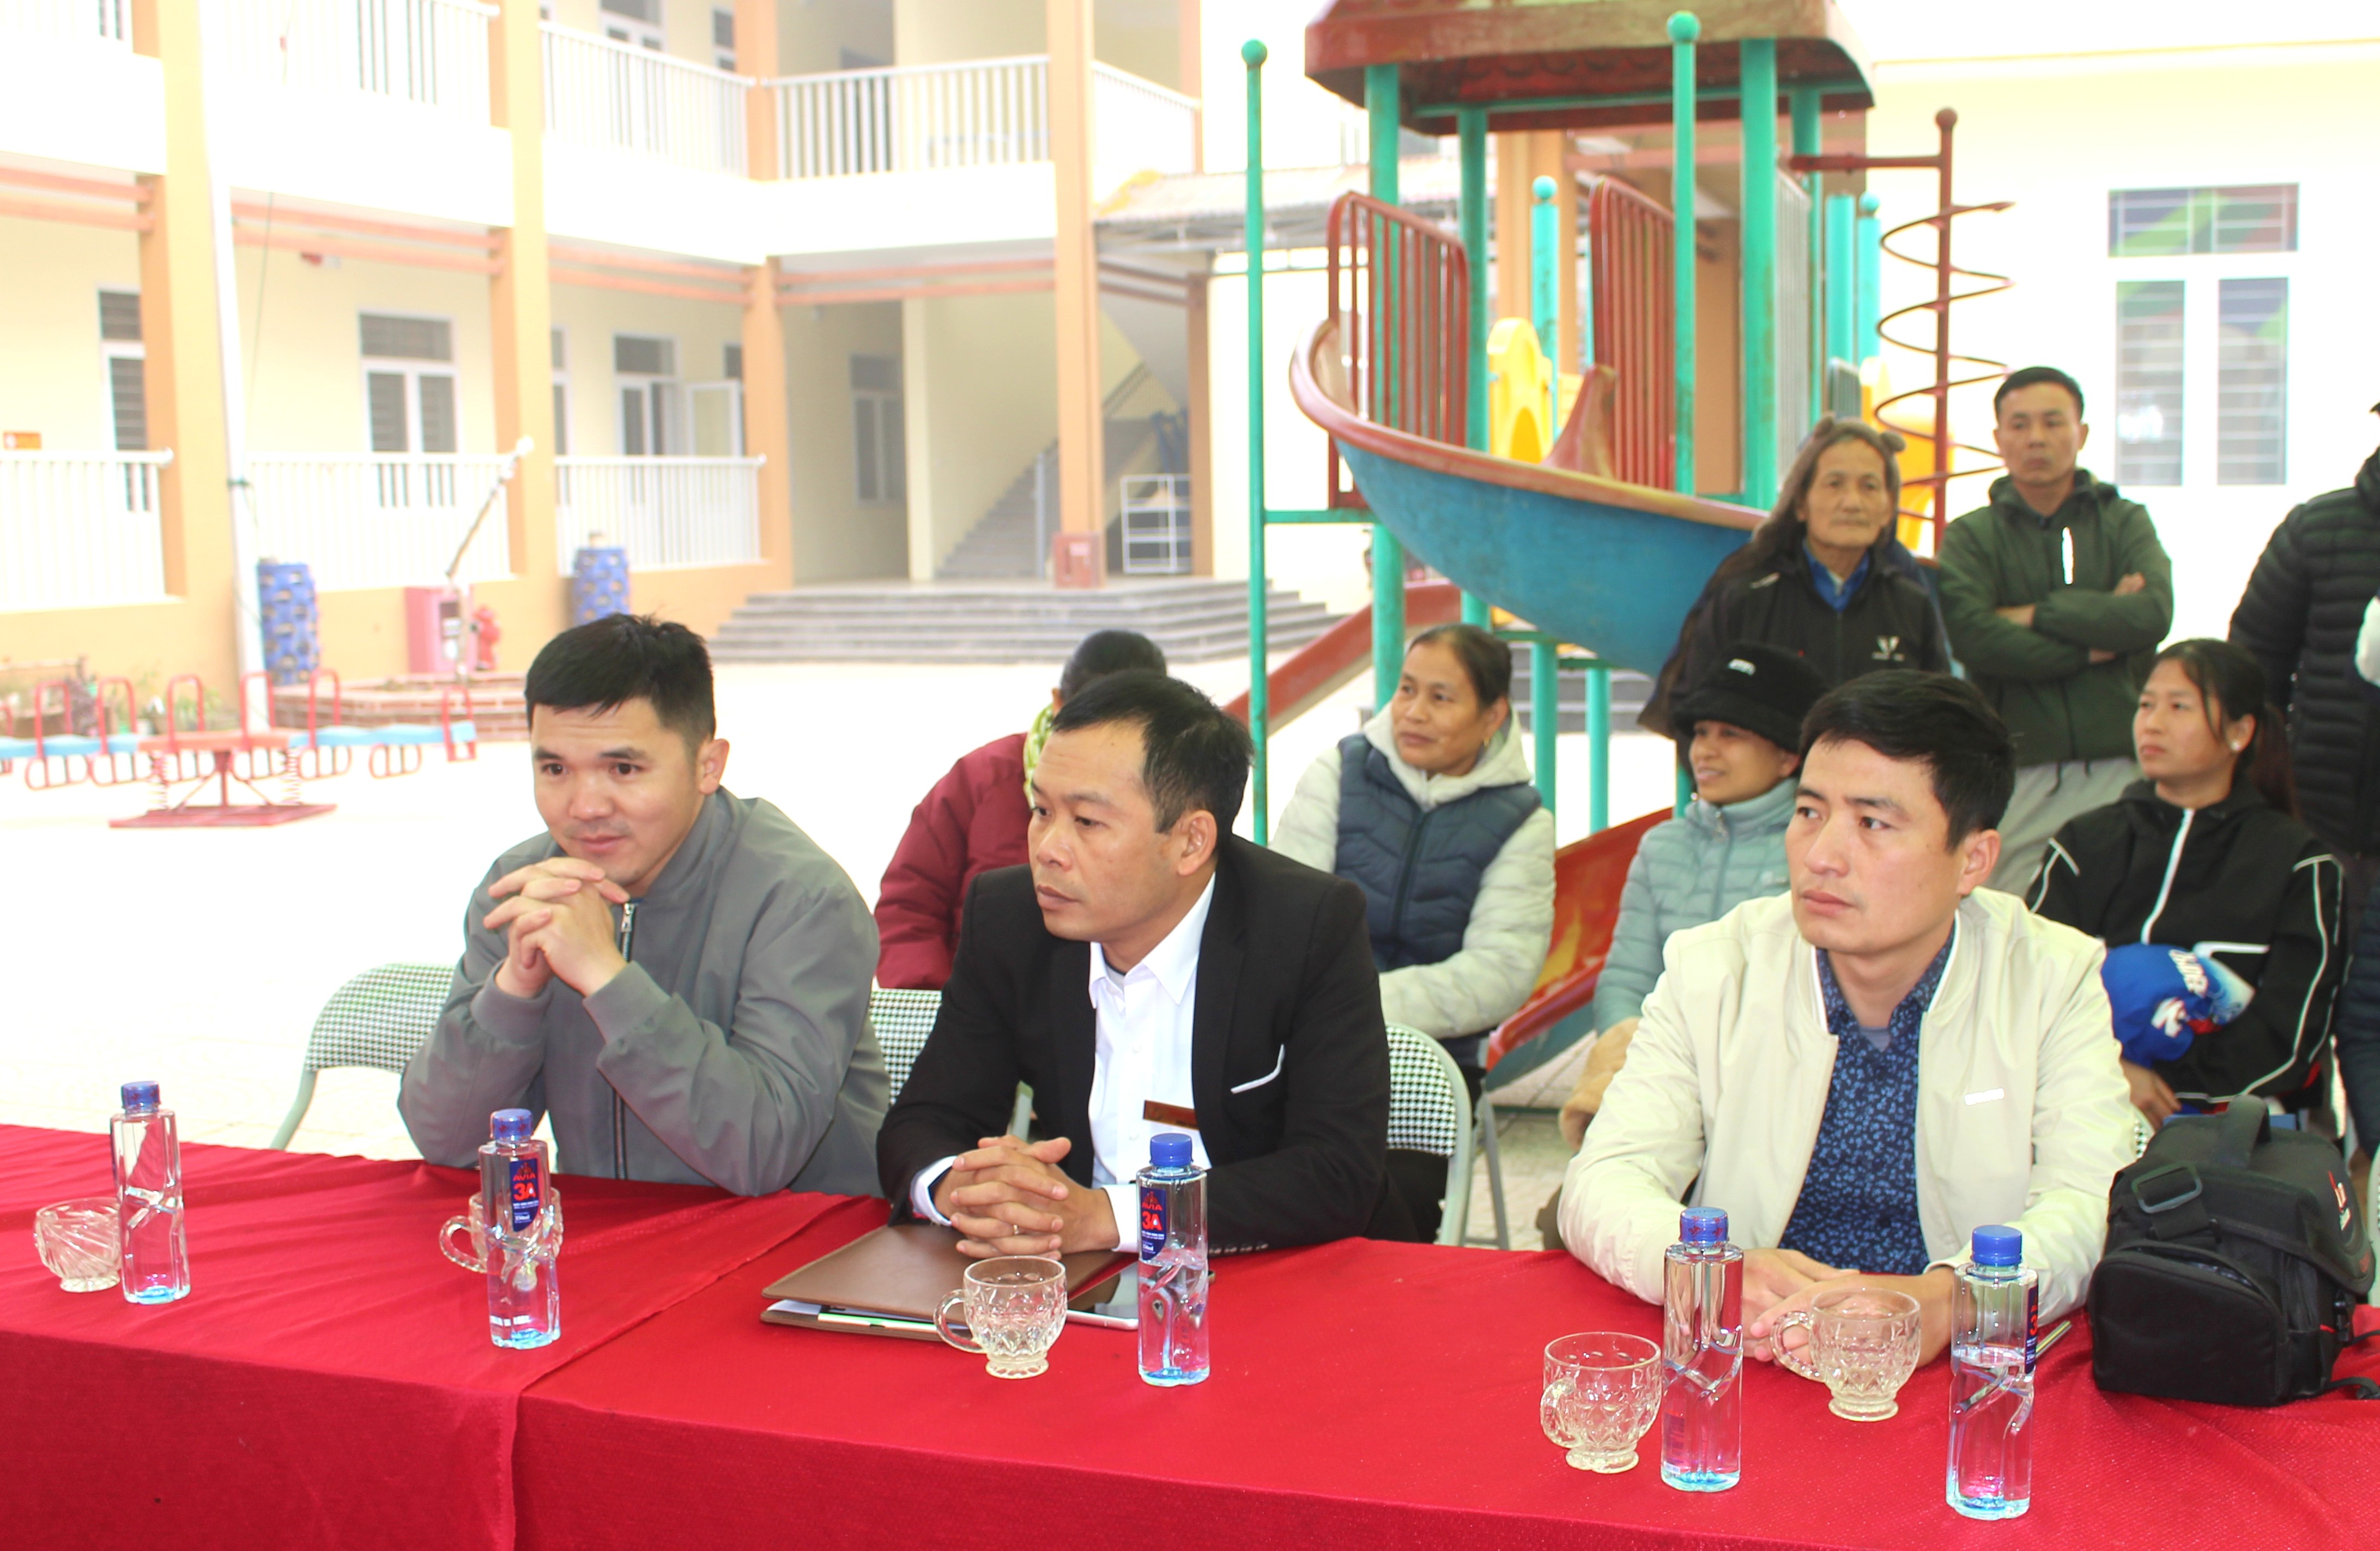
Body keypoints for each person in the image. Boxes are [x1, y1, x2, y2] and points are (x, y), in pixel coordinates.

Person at [1559, 671, 2136, 1364]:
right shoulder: (1715, 967)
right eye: (1809, 811)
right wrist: (1708, 1271)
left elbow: (2090, 1200)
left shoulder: (2049, 977)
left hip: (1960, 1371)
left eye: (1872, 822)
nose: (1820, 856)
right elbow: (1604, 1179)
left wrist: (1957, 1299)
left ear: (1972, 860)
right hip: (1757, 1354)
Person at [875, 671, 1397, 1256]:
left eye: (1086, 821)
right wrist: (962, 1189)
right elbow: (923, 1121)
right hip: (1076, 1273)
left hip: (1259, 1264)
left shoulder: (1307, 926)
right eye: (1040, 810)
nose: (1047, 848)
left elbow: (1337, 1173)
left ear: (1190, 841)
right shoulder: (1009, 919)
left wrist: (1110, 1215)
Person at [399, 614, 886, 1197]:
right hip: (611, 1228)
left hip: (803, 1236)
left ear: (707, 765)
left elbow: (760, 1153)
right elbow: (447, 1142)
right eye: (554, 768)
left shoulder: (801, 899)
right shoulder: (526, 886)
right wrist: (514, 990)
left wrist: (606, 977)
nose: (585, 806)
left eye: (623, 769)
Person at [2030, 640, 2343, 1125]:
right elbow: (2030, 986)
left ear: (2239, 732)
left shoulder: (2299, 863)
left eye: (2178, 707)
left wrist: (2171, 1091)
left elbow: (2292, 1032)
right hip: (2083, 1101)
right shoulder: (2083, 842)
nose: (2152, 723)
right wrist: (2113, 1074)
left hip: (2240, 1124)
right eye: (2145, 705)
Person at [1554, 645, 1831, 1149]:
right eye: (1701, 732)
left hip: (1778, 1090)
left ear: (1788, 755)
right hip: (1661, 1073)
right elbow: (1626, 979)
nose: (1704, 750)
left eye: (1731, 734)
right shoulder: (1663, 846)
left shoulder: (1819, 850)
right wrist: (1642, 1057)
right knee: (1593, 1194)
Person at [1270, 623, 1555, 1086]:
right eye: (1407, 690)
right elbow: (1284, 921)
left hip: (1433, 1062)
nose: (1414, 713)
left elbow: (1499, 973)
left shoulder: (1522, 822)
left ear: (1492, 717)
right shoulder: (1337, 774)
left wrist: (1352, 1003)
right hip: (1308, 1043)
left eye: (1440, 698)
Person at [1937, 365, 2174, 893]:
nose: (2036, 438)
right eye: (2019, 425)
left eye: (2052, 422)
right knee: (2007, 913)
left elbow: (2152, 614)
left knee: (2124, 904)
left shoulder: (2124, 520)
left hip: (2119, 761)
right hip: (2018, 767)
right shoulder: (1971, 535)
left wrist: (2032, 614)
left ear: (2081, 433)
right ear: (1998, 438)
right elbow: (1975, 637)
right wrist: (2093, 644)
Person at [874, 629, 1167, 990]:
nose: (1050, 850)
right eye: (1043, 811)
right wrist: (944, 1004)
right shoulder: (980, 781)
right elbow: (908, 909)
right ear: (1058, 704)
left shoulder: (1172, 797)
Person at [1642, 416, 1948, 736]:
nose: (1852, 503)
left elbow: (1940, 717)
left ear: (1888, 508)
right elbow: (1692, 712)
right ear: (1800, 502)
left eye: (1869, 486)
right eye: (1834, 484)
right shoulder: (1747, 597)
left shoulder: (1911, 605)